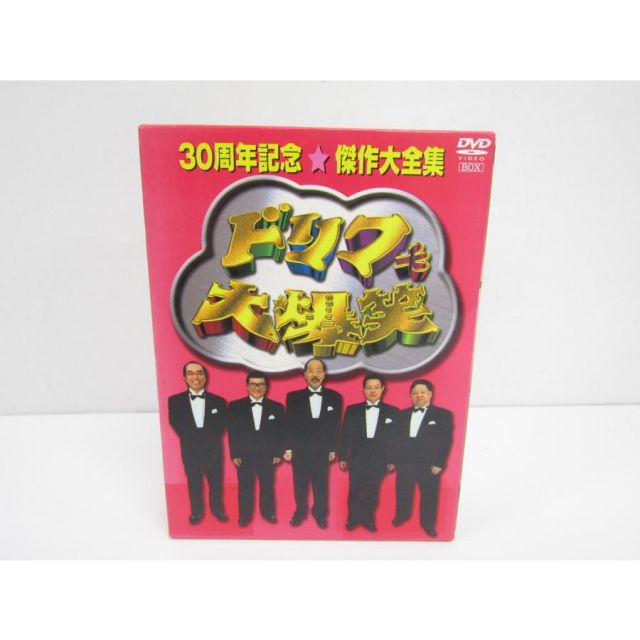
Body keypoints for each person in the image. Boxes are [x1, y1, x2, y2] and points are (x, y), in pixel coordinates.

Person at [284, 358, 343, 528]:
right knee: (300, 483)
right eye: (310, 371)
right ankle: (300, 511)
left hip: (322, 449)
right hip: (300, 449)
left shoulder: (335, 397)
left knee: (321, 484)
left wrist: (333, 449)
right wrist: (288, 448)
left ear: (324, 374)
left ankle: (320, 513)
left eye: (318, 371)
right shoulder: (293, 397)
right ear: (305, 375)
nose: (315, 374)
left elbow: (335, 425)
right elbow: (289, 424)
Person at [167, 361, 228, 526]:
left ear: (205, 377)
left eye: (199, 373)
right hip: (190, 449)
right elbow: (175, 422)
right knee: (193, 481)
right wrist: (195, 438)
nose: (195, 377)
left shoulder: (219, 401)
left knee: (216, 481)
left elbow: (221, 424)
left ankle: (217, 509)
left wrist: (206, 439)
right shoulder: (175, 401)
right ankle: (196, 512)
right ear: (185, 378)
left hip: (213, 450)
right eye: (191, 373)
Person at [392, 379, 453, 537]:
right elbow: (395, 439)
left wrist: (439, 463)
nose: (418, 395)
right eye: (415, 393)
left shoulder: (443, 415)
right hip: (405, 461)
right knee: (402, 490)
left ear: (430, 394)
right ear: (411, 396)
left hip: (428, 463)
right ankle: (402, 515)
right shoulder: (401, 414)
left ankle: (428, 524)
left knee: (429, 494)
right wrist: (394, 460)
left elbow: (445, 440)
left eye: (422, 392)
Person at [338, 373, 398, 532]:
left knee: (373, 490)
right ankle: (352, 518)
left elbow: (395, 439)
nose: (372, 391)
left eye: (376, 387)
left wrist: (393, 459)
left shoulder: (393, 411)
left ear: (383, 389)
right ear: (363, 389)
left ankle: (368, 518)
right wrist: (342, 457)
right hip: (357, 457)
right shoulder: (352, 410)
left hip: (380, 458)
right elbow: (344, 435)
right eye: (369, 387)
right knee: (354, 489)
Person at [226, 371, 285, 527]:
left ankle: (268, 513)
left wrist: (278, 453)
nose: (257, 388)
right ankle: (244, 516)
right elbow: (233, 432)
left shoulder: (277, 407)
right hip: (244, 455)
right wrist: (234, 454)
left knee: (267, 486)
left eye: (261, 385)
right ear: (247, 386)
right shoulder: (235, 406)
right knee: (245, 487)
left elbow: (281, 432)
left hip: (268, 455)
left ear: (266, 387)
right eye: (253, 384)